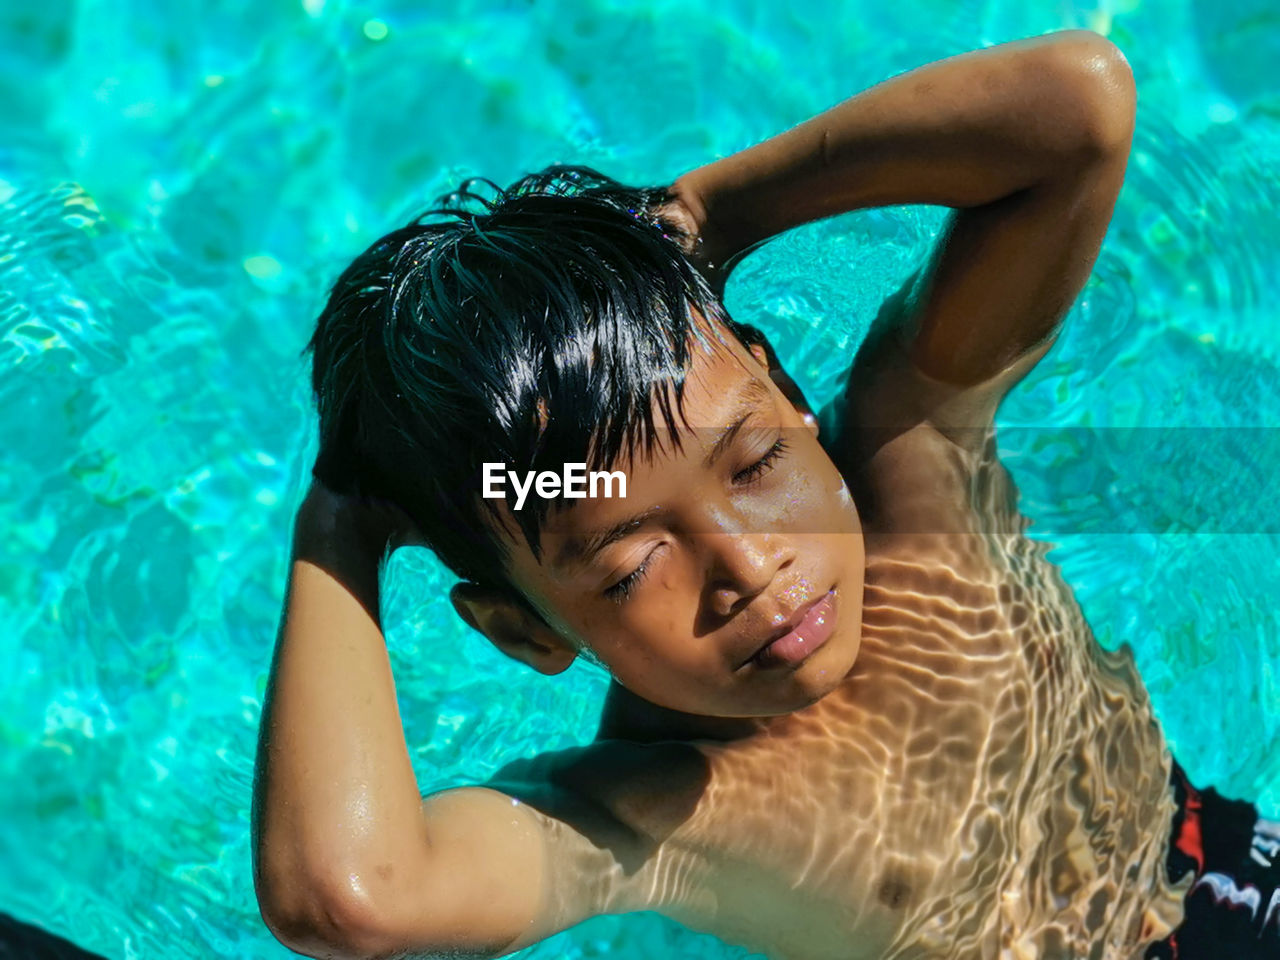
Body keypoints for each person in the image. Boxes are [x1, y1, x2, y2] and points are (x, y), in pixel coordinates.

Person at [250, 29, 1276, 960]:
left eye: (751, 468)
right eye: (632, 563)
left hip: (1228, 861)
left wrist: (704, 212)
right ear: (522, 632)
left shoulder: (910, 456)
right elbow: (354, 897)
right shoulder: (655, 812)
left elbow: (1076, 106)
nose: (749, 564)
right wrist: (337, 521)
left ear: (783, 390)